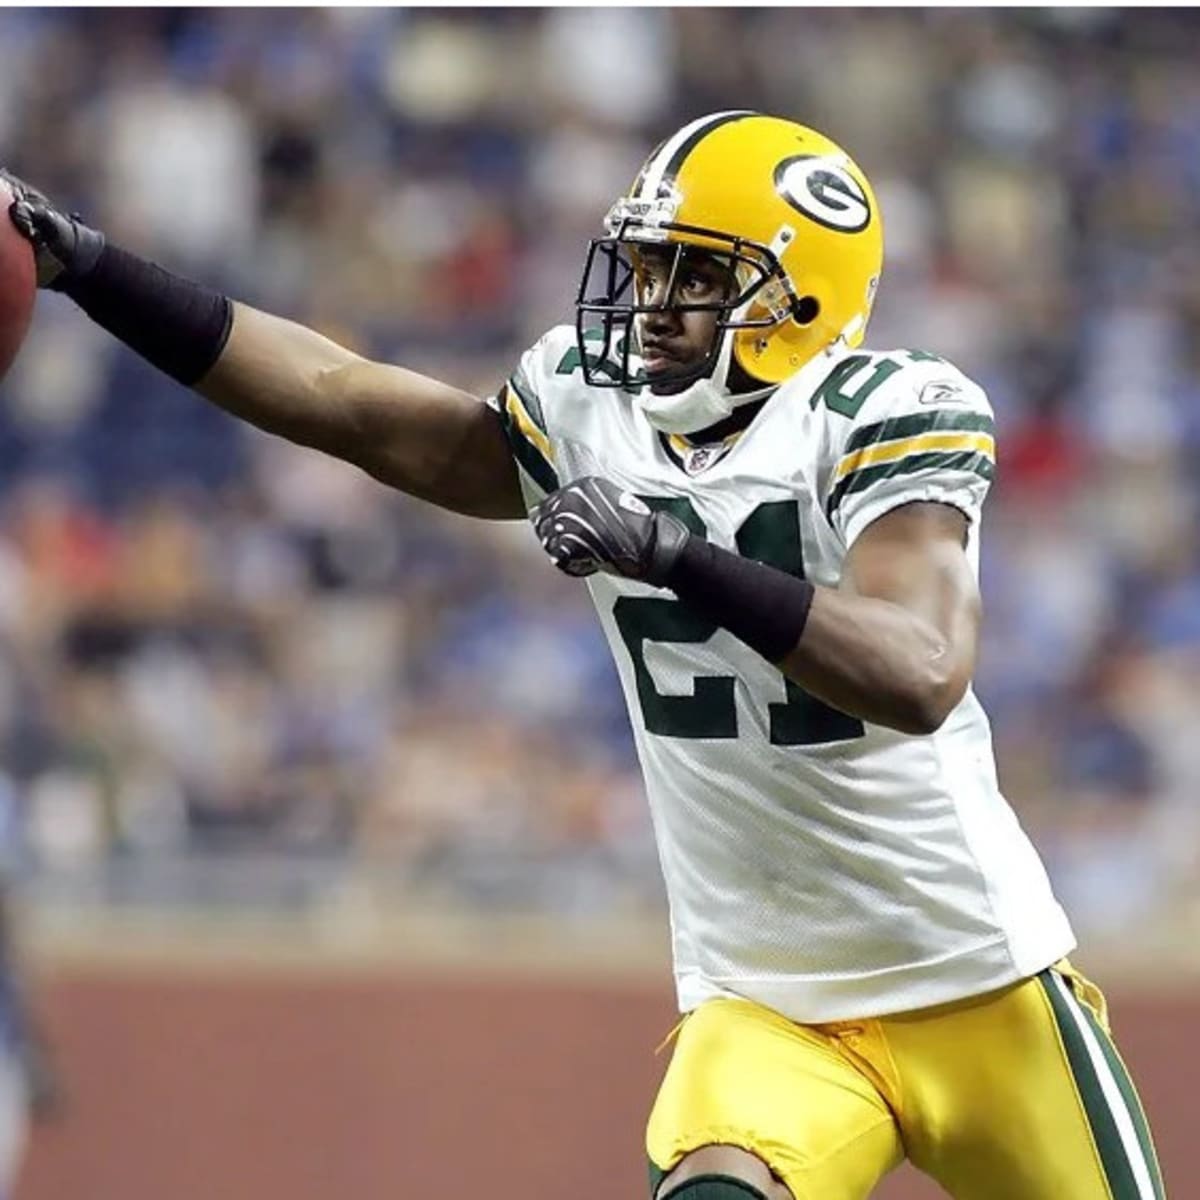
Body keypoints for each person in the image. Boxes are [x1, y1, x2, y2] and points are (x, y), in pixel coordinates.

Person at [2, 109, 1166, 1199]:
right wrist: (94, 271)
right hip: (766, 1000)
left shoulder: (882, 407)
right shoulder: (590, 406)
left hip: (976, 978)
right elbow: (345, 402)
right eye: (649, 267)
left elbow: (920, 671)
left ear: (802, 296)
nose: (654, 302)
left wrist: (676, 553)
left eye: (699, 275)